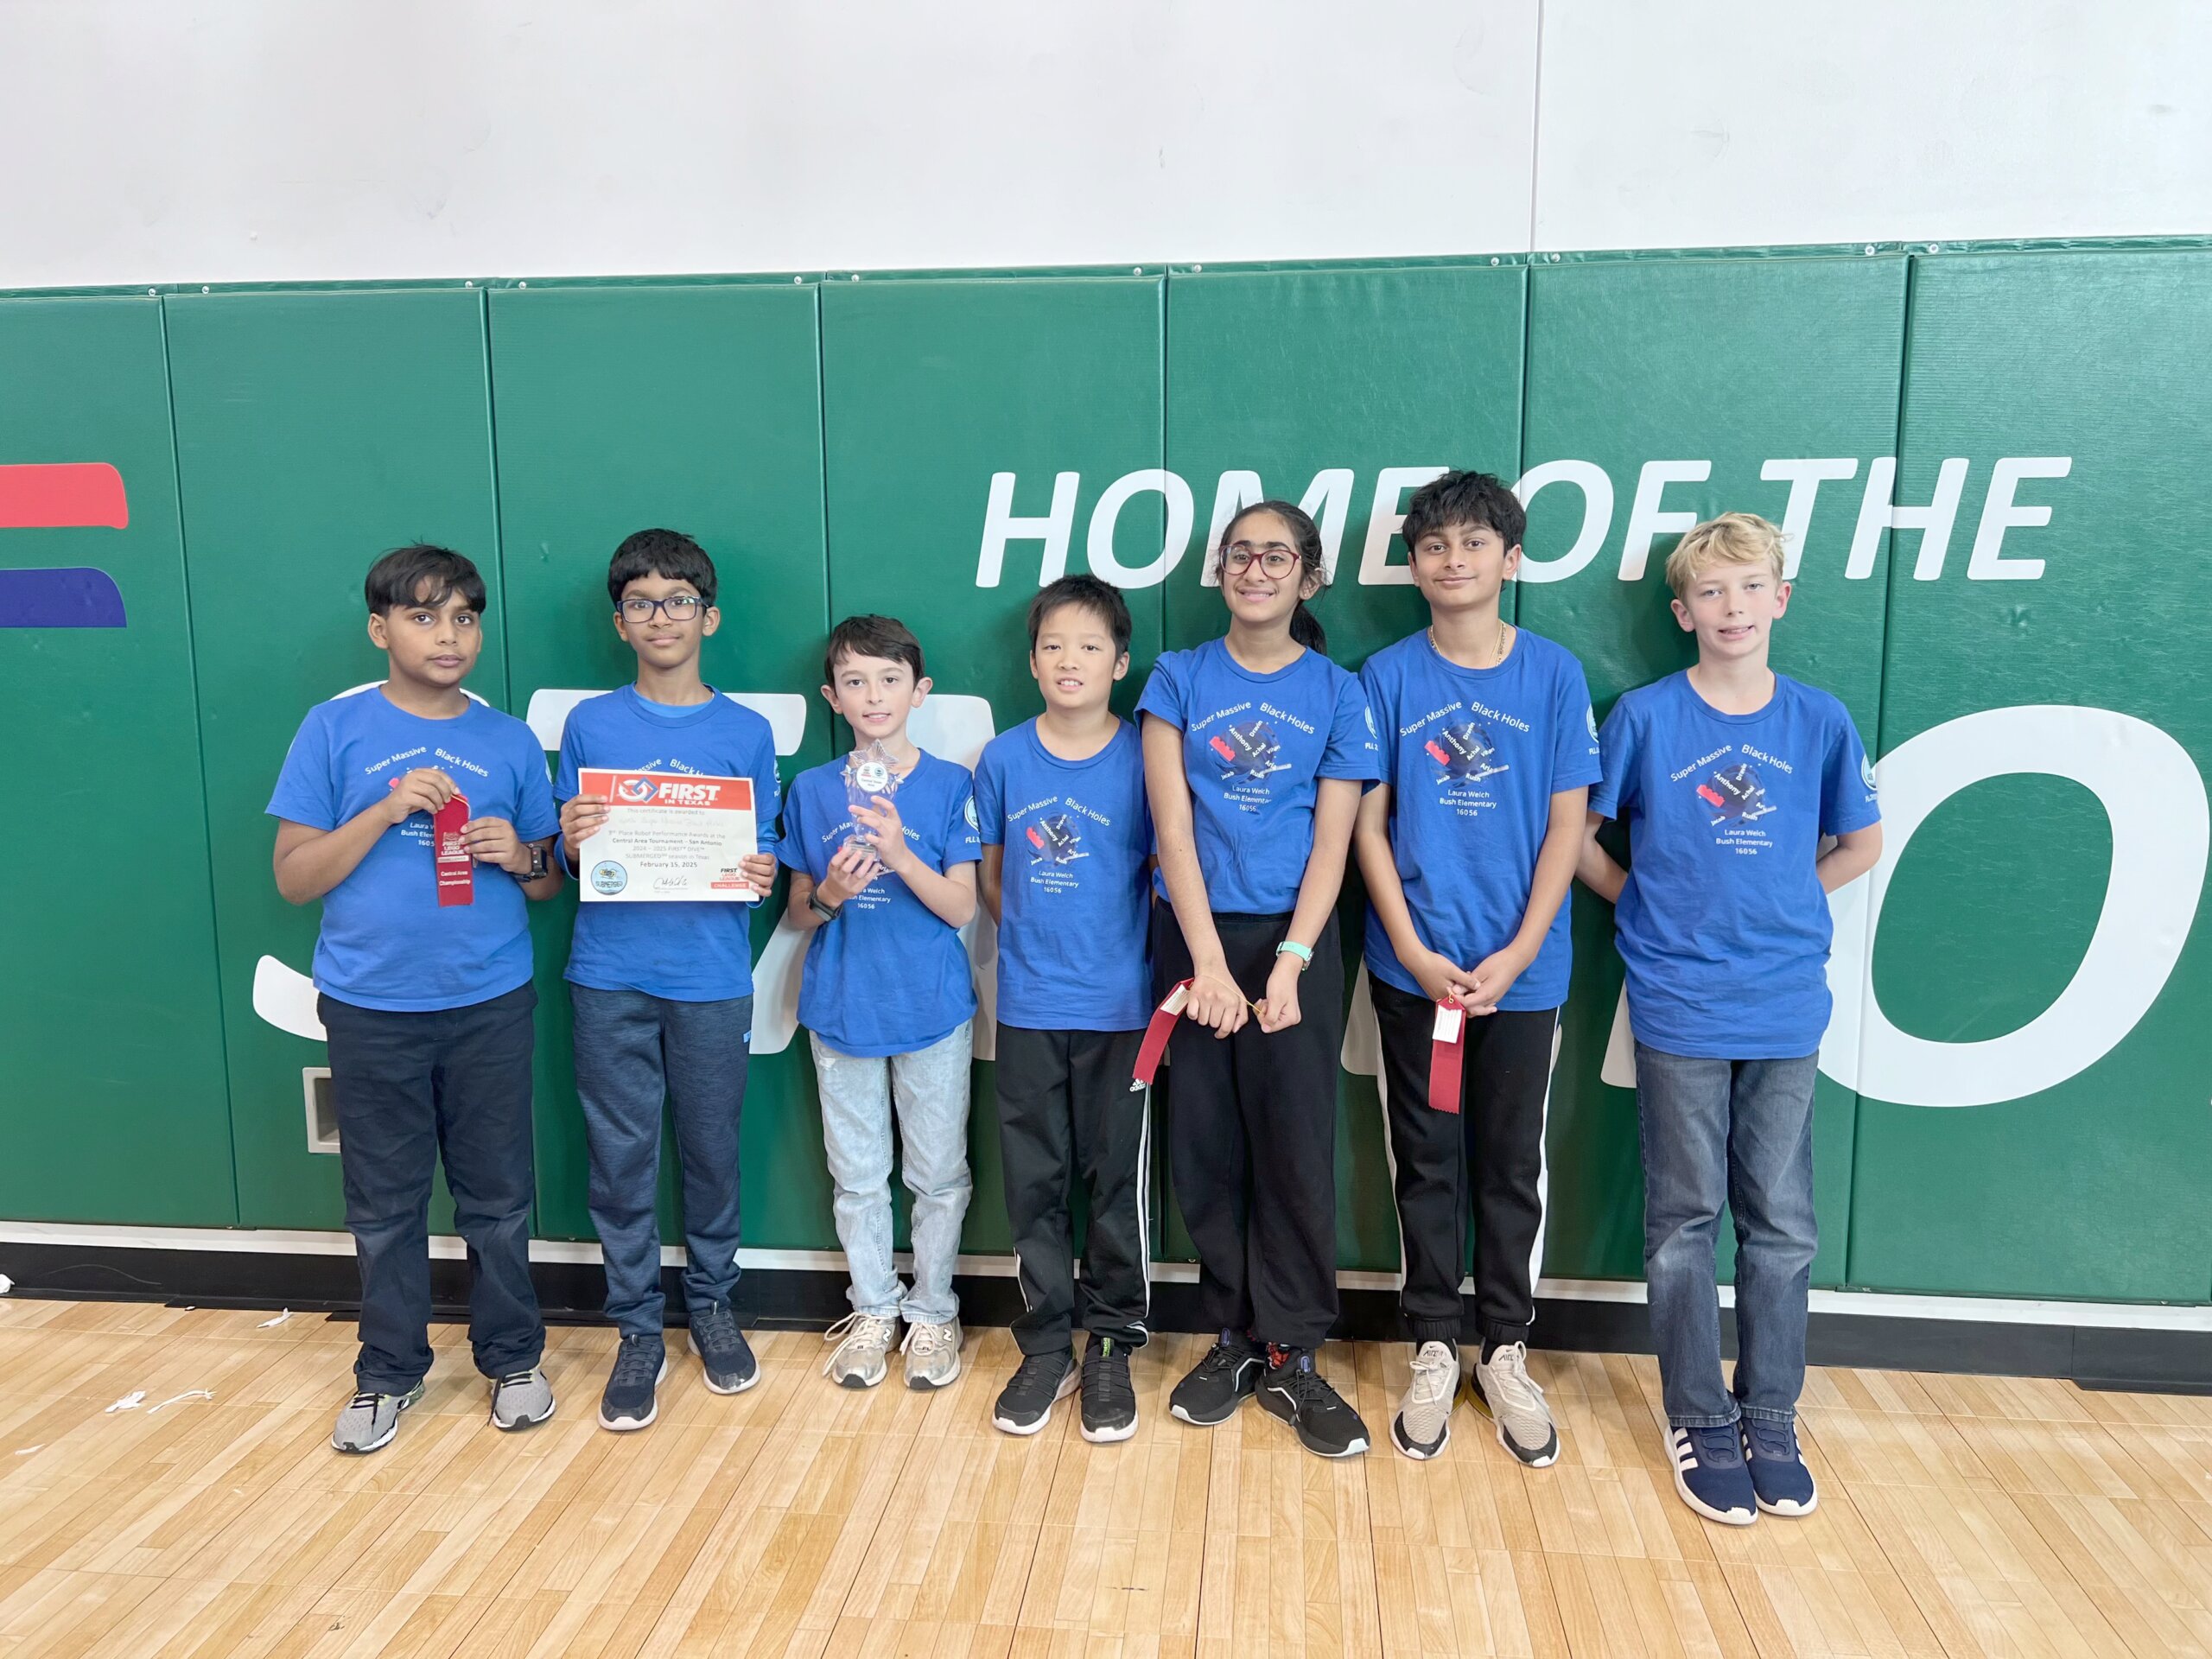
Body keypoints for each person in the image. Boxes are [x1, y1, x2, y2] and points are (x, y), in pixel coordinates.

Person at [1578, 512, 1882, 1525]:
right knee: (1683, 1219)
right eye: (1710, 592)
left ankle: (1769, 1413)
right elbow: (1575, 836)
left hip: (1785, 1000)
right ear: (1683, 612)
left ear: (1780, 599)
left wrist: (1790, 901)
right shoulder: (1645, 717)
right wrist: (1641, 901)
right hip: (1679, 999)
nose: (1732, 607)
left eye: (1750, 588)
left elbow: (1860, 841)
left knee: (1781, 1222)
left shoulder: (1818, 721)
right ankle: (1698, 1416)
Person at [269, 543, 562, 1454]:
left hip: (489, 1002)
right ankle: (388, 1373)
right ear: (380, 629)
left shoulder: (508, 740)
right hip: (370, 1007)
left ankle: (513, 1358)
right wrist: (384, 810)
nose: (448, 636)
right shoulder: (333, 729)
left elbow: (548, 881)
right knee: (384, 1205)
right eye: (424, 616)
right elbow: (293, 878)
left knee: (498, 1199)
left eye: (465, 618)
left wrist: (519, 855)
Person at [1352, 469, 1600, 1465]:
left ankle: (1502, 1346)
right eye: (1434, 545)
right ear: (1413, 564)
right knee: (1426, 1158)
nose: (1452, 560)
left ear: (1511, 558)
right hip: (1414, 970)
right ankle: (1430, 1340)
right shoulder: (1384, 678)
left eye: (1473, 542)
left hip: (1521, 975)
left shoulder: (1553, 675)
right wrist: (1414, 949)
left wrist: (1522, 949)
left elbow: (1567, 826)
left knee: (1507, 1163)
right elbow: (1366, 825)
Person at [1138, 499, 1381, 1459]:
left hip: (1295, 946)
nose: (1255, 570)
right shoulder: (1176, 678)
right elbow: (1172, 828)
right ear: (1221, 571)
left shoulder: (1339, 693)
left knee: (1293, 1147)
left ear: (1307, 577)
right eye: (1240, 554)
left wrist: (1291, 961)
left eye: (1276, 557)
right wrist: (1205, 961)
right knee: (1206, 1147)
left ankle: (1294, 1351)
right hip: (1195, 938)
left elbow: (1332, 843)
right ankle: (1234, 1338)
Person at [554, 529, 782, 1432]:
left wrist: (762, 871)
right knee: (620, 1160)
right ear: (620, 622)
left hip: (711, 976)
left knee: (711, 1150)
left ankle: (714, 1304)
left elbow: (762, 852)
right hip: (609, 974)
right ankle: (637, 1328)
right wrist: (572, 842)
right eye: (641, 604)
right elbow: (571, 857)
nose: (661, 617)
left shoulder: (746, 732)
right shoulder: (591, 725)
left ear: (707, 617)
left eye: (679, 601)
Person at [779, 614, 981, 1391]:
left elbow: (962, 907)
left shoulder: (950, 785)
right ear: (832, 696)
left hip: (930, 1007)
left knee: (938, 1174)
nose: (873, 695)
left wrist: (899, 853)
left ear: (918, 691)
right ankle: (873, 1308)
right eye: (855, 681)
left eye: (890, 679)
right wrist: (831, 891)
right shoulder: (811, 790)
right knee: (858, 1177)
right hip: (842, 1007)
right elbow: (800, 911)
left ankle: (933, 1312)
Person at [976, 575, 1154, 1442]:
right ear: (1032, 662)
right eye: (1053, 646)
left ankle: (1113, 1343)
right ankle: (1046, 1344)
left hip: (1123, 1009)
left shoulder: (1147, 756)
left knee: (1113, 1183)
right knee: (1035, 1181)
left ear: (1120, 663)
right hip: (1028, 1006)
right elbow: (993, 876)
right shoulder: (1004, 758)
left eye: (1089, 646)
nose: (1069, 660)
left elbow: (1163, 873)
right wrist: (1038, 950)